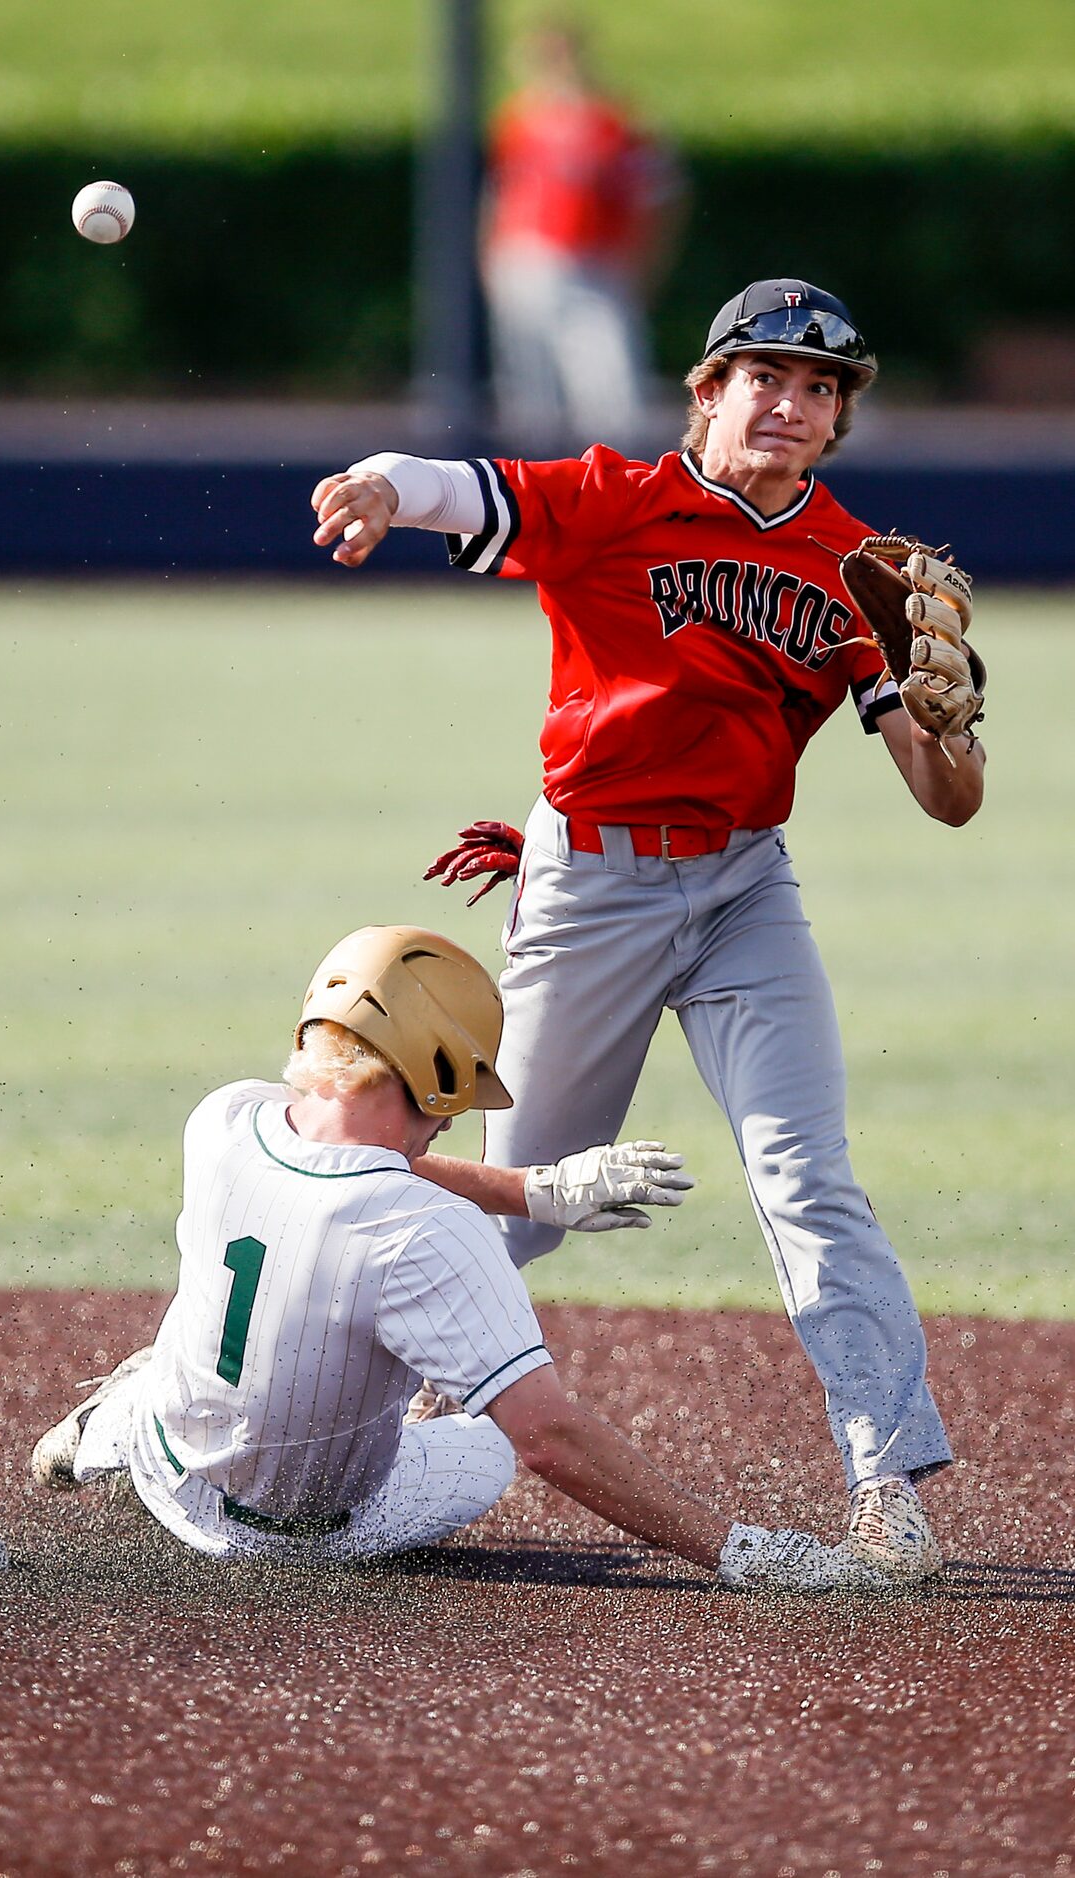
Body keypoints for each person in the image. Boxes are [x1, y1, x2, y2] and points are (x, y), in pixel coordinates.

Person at [309, 280, 989, 1584]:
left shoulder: (865, 571)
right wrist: (383, 487)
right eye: (765, 378)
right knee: (521, 1204)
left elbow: (945, 801)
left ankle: (885, 1482)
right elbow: (462, 485)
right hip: (591, 884)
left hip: (743, 896)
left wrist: (945, 725)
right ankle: (310, 1404)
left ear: (839, 417)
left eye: (818, 388)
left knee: (809, 1186)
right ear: (707, 389)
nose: (788, 404)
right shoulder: (616, 500)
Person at [31, 924, 896, 1592]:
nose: (458, 1107)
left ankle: (112, 1425)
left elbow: (350, 1151)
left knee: (202, 1330)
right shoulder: (425, 1230)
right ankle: (160, 1428)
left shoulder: (223, 1121)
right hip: (298, 1538)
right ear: (430, 1062)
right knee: (479, 1442)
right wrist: (742, 1552)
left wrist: (531, 1190)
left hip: (170, 1463)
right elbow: (552, 1440)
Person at [482, 19, 684, 451]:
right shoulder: (519, 120)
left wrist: (643, 263)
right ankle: (537, 499)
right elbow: (501, 194)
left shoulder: (614, 123)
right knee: (530, 395)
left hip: (593, 264)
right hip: (526, 260)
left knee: (612, 397)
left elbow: (660, 198)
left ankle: (620, 495)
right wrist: (492, 259)